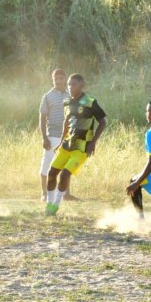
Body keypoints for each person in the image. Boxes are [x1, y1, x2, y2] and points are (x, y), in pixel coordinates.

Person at [45, 73, 107, 216]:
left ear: (81, 85)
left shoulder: (90, 102)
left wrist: (93, 142)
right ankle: (48, 204)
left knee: (65, 175)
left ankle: (55, 206)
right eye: (69, 84)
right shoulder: (66, 101)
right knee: (51, 173)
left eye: (73, 84)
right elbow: (66, 121)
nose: (70, 87)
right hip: (67, 145)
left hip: (82, 147)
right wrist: (61, 141)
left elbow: (103, 121)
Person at [38, 68, 76, 201]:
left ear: (65, 79)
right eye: (56, 79)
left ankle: (66, 193)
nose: (59, 81)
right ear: (52, 80)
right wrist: (44, 138)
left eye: (61, 78)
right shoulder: (47, 97)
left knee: (67, 165)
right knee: (47, 165)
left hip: (67, 137)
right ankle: (44, 193)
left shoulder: (69, 95)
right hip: (52, 136)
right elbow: (42, 119)